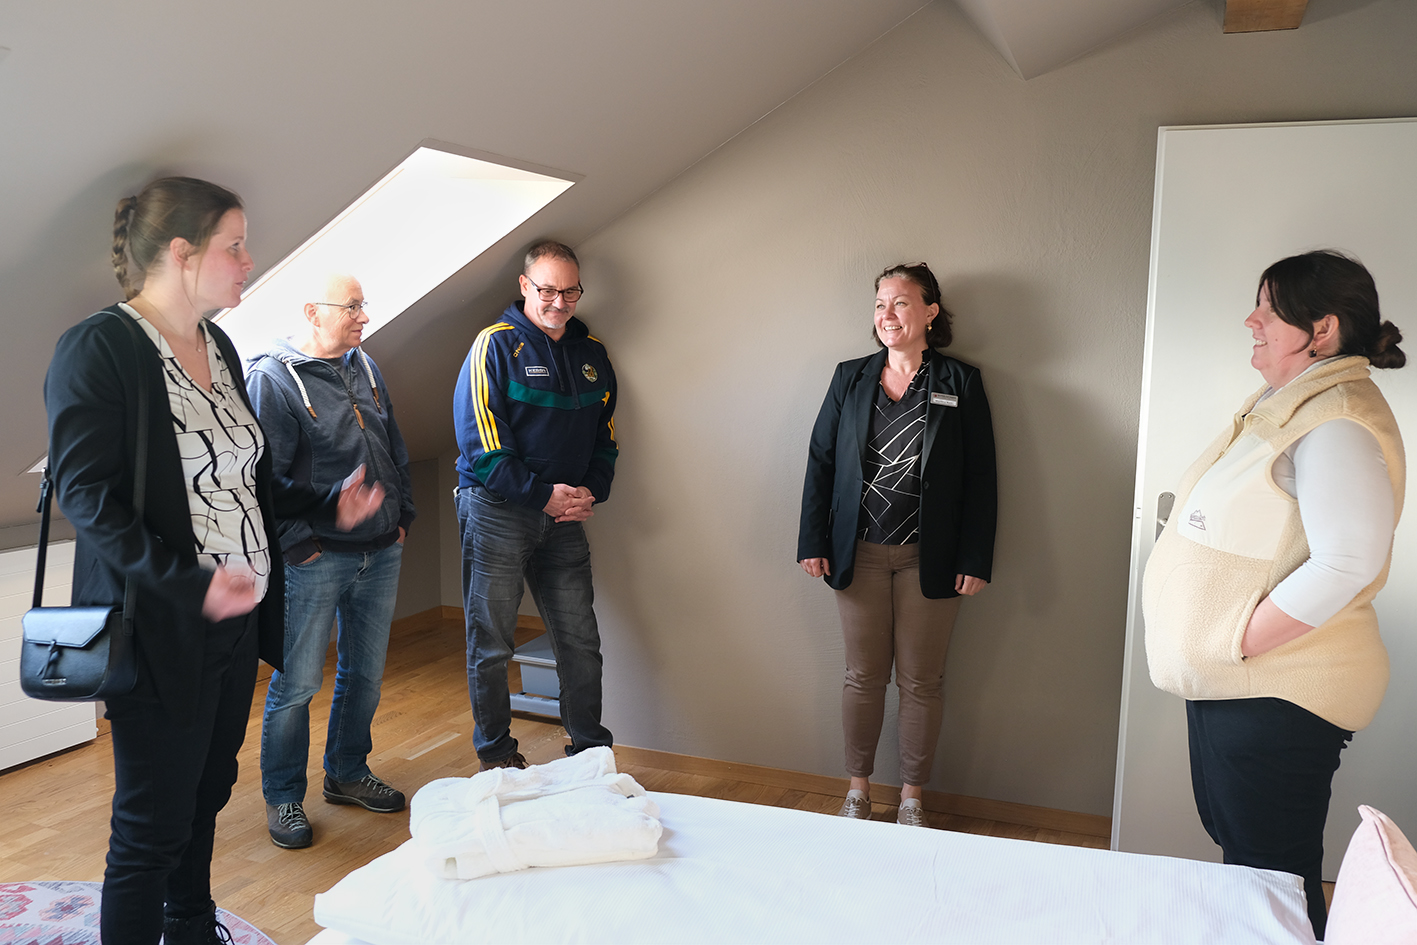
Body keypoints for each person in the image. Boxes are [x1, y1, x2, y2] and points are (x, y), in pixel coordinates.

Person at [44, 176, 384, 945]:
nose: (248, 260)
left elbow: (246, 478)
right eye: (235, 245)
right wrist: (187, 583)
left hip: (235, 620)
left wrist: (326, 505)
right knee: (150, 822)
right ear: (182, 252)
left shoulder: (221, 345)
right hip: (158, 624)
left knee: (206, 790)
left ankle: (191, 924)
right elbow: (88, 498)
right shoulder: (100, 348)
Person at [1144, 250, 1406, 940]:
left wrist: (1235, 642)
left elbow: (1348, 561)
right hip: (1240, 682)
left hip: (1274, 688)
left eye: (1268, 306)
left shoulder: (1336, 419)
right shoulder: (1291, 403)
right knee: (1248, 859)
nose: (1250, 320)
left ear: (1321, 329)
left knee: (1271, 875)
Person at [797, 262, 997, 826]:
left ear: (930, 312)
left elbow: (982, 476)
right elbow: (821, 460)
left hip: (929, 558)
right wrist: (812, 539)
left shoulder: (960, 381)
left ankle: (911, 798)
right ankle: (857, 791)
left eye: (901, 302)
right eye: (881, 304)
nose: (887, 314)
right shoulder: (850, 377)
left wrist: (975, 557)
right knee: (862, 677)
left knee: (921, 682)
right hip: (856, 552)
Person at [246, 273, 416, 850]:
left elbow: (394, 444)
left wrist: (402, 517)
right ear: (312, 312)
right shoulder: (272, 379)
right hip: (314, 559)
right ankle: (283, 797)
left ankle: (346, 773)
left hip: (380, 549)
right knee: (296, 684)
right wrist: (299, 543)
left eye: (364, 305)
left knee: (364, 674)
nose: (363, 317)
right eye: (352, 307)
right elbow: (264, 479)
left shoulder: (365, 366)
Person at [452, 240, 618, 770]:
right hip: (497, 511)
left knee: (580, 640)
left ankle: (590, 753)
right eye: (547, 290)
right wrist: (543, 496)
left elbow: (605, 437)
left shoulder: (592, 352)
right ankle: (498, 756)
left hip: (564, 517)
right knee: (492, 642)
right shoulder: (494, 346)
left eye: (570, 291)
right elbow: (482, 447)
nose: (559, 302)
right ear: (525, 286)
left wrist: (590, 491)